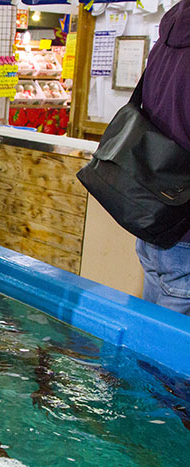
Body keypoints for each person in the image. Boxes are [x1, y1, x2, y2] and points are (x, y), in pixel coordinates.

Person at [136, 0, 190, 315]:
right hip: (185, 232)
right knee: (168, 357)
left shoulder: (167, 36)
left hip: (156, 222)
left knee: (147, 344)